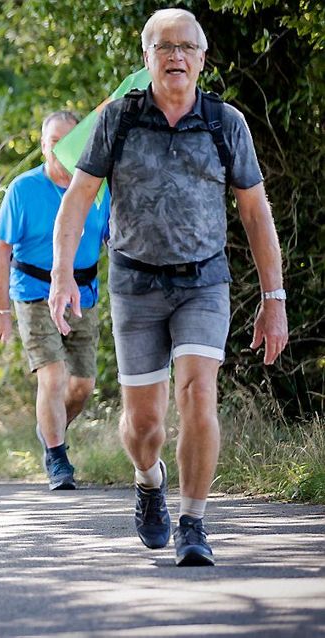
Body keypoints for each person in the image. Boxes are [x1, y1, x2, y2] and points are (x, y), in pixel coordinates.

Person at [49, 8, 288, 566]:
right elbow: (78, 199)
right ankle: (147, 479)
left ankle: (194, 522)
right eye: (164, 47)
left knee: (199, 392)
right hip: (135, 283)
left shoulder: (225, 123)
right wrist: (62, 274)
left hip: (205, 280)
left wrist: (273, 299)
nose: (176, 56)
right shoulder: (119, 120)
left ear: (202, 59)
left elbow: (254, 212)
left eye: (186, 47)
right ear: (147, 58)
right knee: (144, 424)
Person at [0, 111, 110, 491]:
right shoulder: (23, 189)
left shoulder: (97, 188)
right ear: (43, 145)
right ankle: (57, 457)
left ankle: (51, 430)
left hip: (84, 295)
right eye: (52, 140)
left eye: (67, 140)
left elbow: (113, 240)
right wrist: (0, 309)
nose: (59, 148)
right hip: (34, 293)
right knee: (54, 376)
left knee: (83, 384)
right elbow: (0, 250)